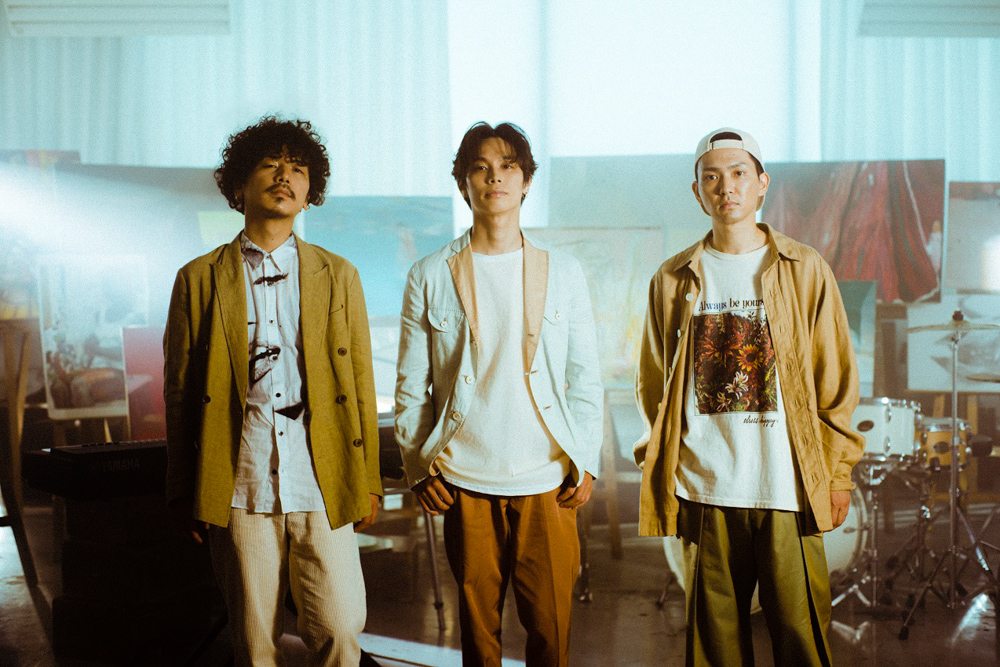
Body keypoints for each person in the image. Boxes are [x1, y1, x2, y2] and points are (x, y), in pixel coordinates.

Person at [633, 128, 864, 666]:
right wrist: (659, 465)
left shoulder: (804, 268)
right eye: (711, 177)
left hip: (786, 484)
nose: (726, 187)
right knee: (714, 648)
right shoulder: (673, 279)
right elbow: (653, 385)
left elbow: (834, 379)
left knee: (801, 637)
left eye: (739, 173)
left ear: (762, 183)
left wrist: (837, 473)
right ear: (697, 192)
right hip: (705, 486)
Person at [164, 116, 381, 667]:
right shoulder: (198, 278)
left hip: (322, 477)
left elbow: (360, 383)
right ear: (239, 185)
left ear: (310, 193)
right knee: (254, 643)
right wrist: (183, 489)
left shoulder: (339, 274)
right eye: (269, 164)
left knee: (340, 627)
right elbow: (180, 393)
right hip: (240, 480)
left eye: (299, 169)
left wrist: (368, 481)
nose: (285, 176)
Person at [395, 121, 603, 666]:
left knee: (551, 634)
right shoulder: (429, 274)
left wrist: (585, 459)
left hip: (547, 477)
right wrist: (419, 467)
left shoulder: (564, 272)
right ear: (464, 183)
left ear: (526, 181)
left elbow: (585, 377)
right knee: (478, 642)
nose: (495, 178)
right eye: (481, 168)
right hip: (464, 478)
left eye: (508, 166)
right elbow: (411, 387)